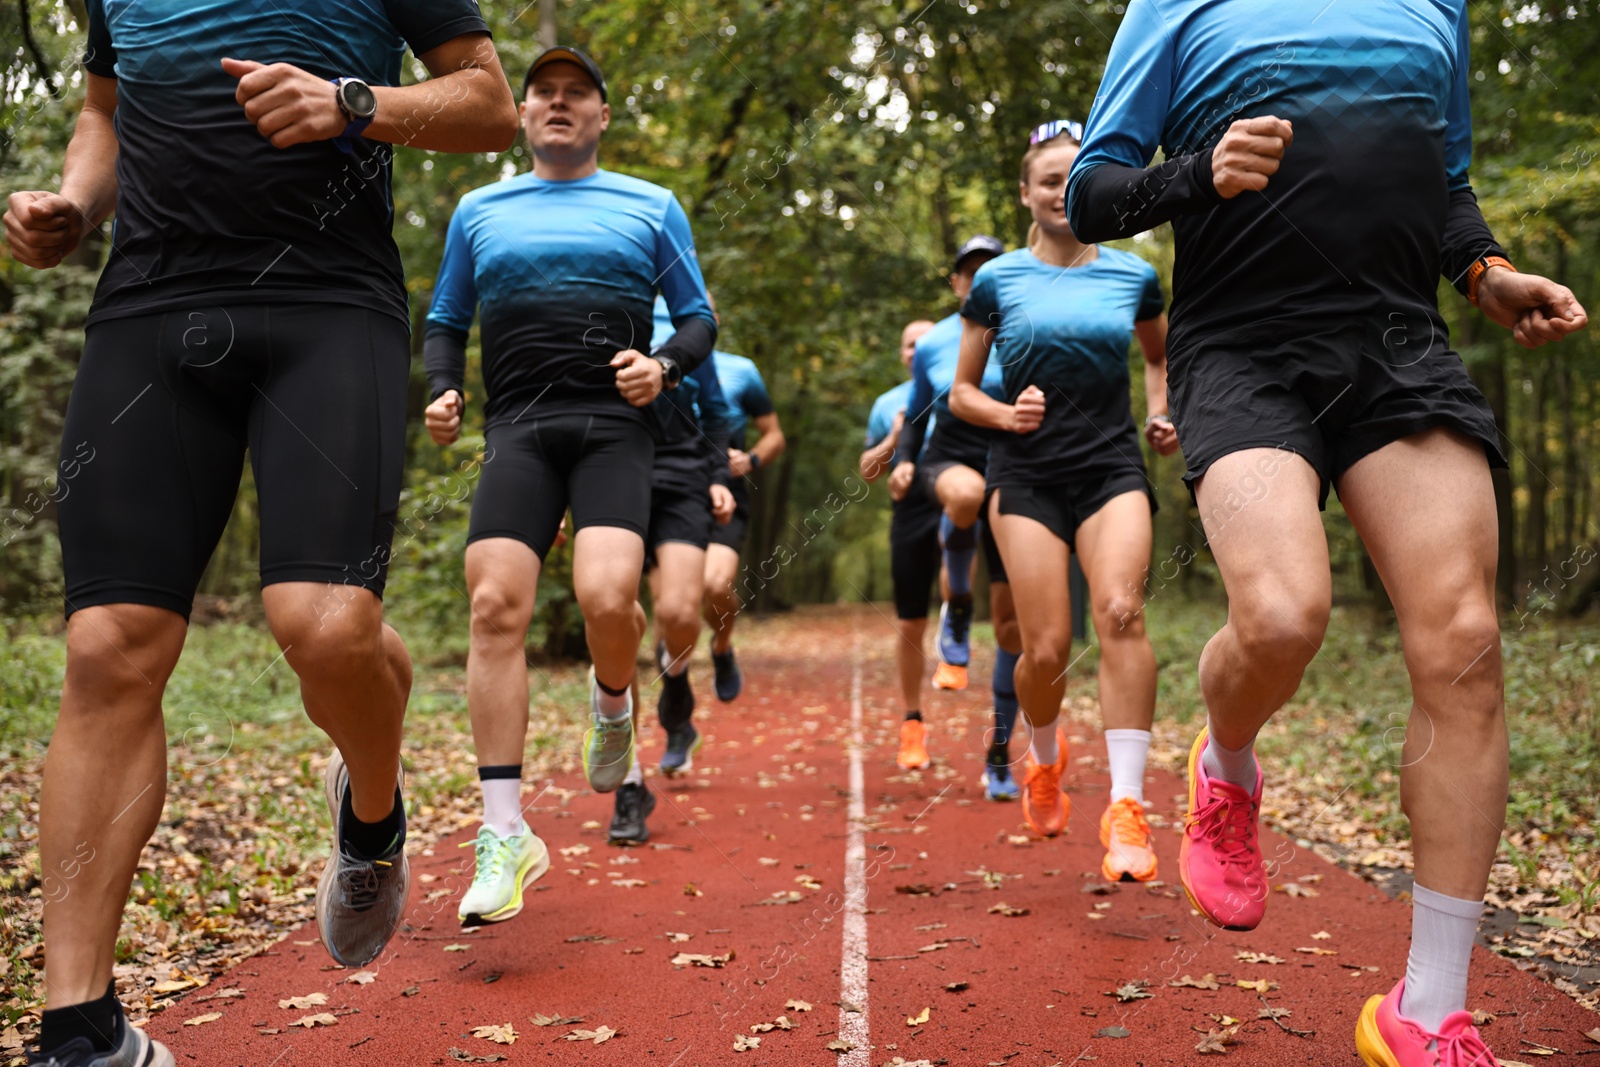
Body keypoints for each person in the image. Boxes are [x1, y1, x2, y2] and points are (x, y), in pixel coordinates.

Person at [1066, 3, 1588, 1062]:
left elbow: (1440, 187)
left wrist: (1487, 272)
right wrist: (1196, 172)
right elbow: (1091, 194)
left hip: (1398, 342)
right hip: (1243, 347)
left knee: (1466, 643)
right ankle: (1225, 762)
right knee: (1281, 613)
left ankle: (1428, 1008)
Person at [2, 2, 517, 1062]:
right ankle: (81, 1026)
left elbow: (487, 105)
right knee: (108, 647)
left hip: (329, 305)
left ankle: (370, 814)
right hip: (149, 304)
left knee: (325, 625)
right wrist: (74, 204)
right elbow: (104, 111)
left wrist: (353, 105)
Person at [422, 47, 716, 924]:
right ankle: (506, 830)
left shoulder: (650, 205)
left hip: (615, 427)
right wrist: (444, 390)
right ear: (521, 116)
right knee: (494, 606)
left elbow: (698, 320)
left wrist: (660, 366)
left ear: (600, 116)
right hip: (517, 429)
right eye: (543, 93)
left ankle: (613, 700)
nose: (557, 103)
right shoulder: (479, 210)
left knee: (607, 594)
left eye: (575, 94)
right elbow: (446, 320)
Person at [951, 122, 1178, 880]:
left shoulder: (1133, 276)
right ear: (1027, 191)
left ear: (1090, 185)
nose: (1058, 190)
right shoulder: (997, 281)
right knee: (1044, 648)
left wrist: (1161, 408)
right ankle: (1043, 756)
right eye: (1046, 179)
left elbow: (1157, 357)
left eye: (1071, 177)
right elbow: (959, 395)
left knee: (1120, 611)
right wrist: (1005, 413)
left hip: (1111, 467)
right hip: (1026, 474)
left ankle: (1126, 805)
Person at [888, 238, 1022, 799]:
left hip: (1017, 466)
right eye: (971, 272)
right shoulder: (937, 342)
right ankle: (958, 605)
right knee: (963, 496)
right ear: (958, 284)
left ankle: (998, 755)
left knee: (1014, 625)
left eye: (992, 270)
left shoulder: (1029, 329)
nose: (980, 279)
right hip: (950, 462)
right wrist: (901, 462)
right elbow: (916, 415)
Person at [608, 298, 737, 845]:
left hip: (682, 478)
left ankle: (677, 682)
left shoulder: (691, 336)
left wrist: (716, 475)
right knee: (614, 620)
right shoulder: (602, 318)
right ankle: (629, 784)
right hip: (610, 468)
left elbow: (718, 416)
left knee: (680, 614)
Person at [700, 297, 786, 702]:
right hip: (666, 486)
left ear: (715, 320)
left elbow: (775, 435)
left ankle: (721, 646)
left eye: (705, 310)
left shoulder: (741, 371)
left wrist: (749, 460)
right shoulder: (651, 367)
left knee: (716, 584)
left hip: (726, 489)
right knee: (676, 601)